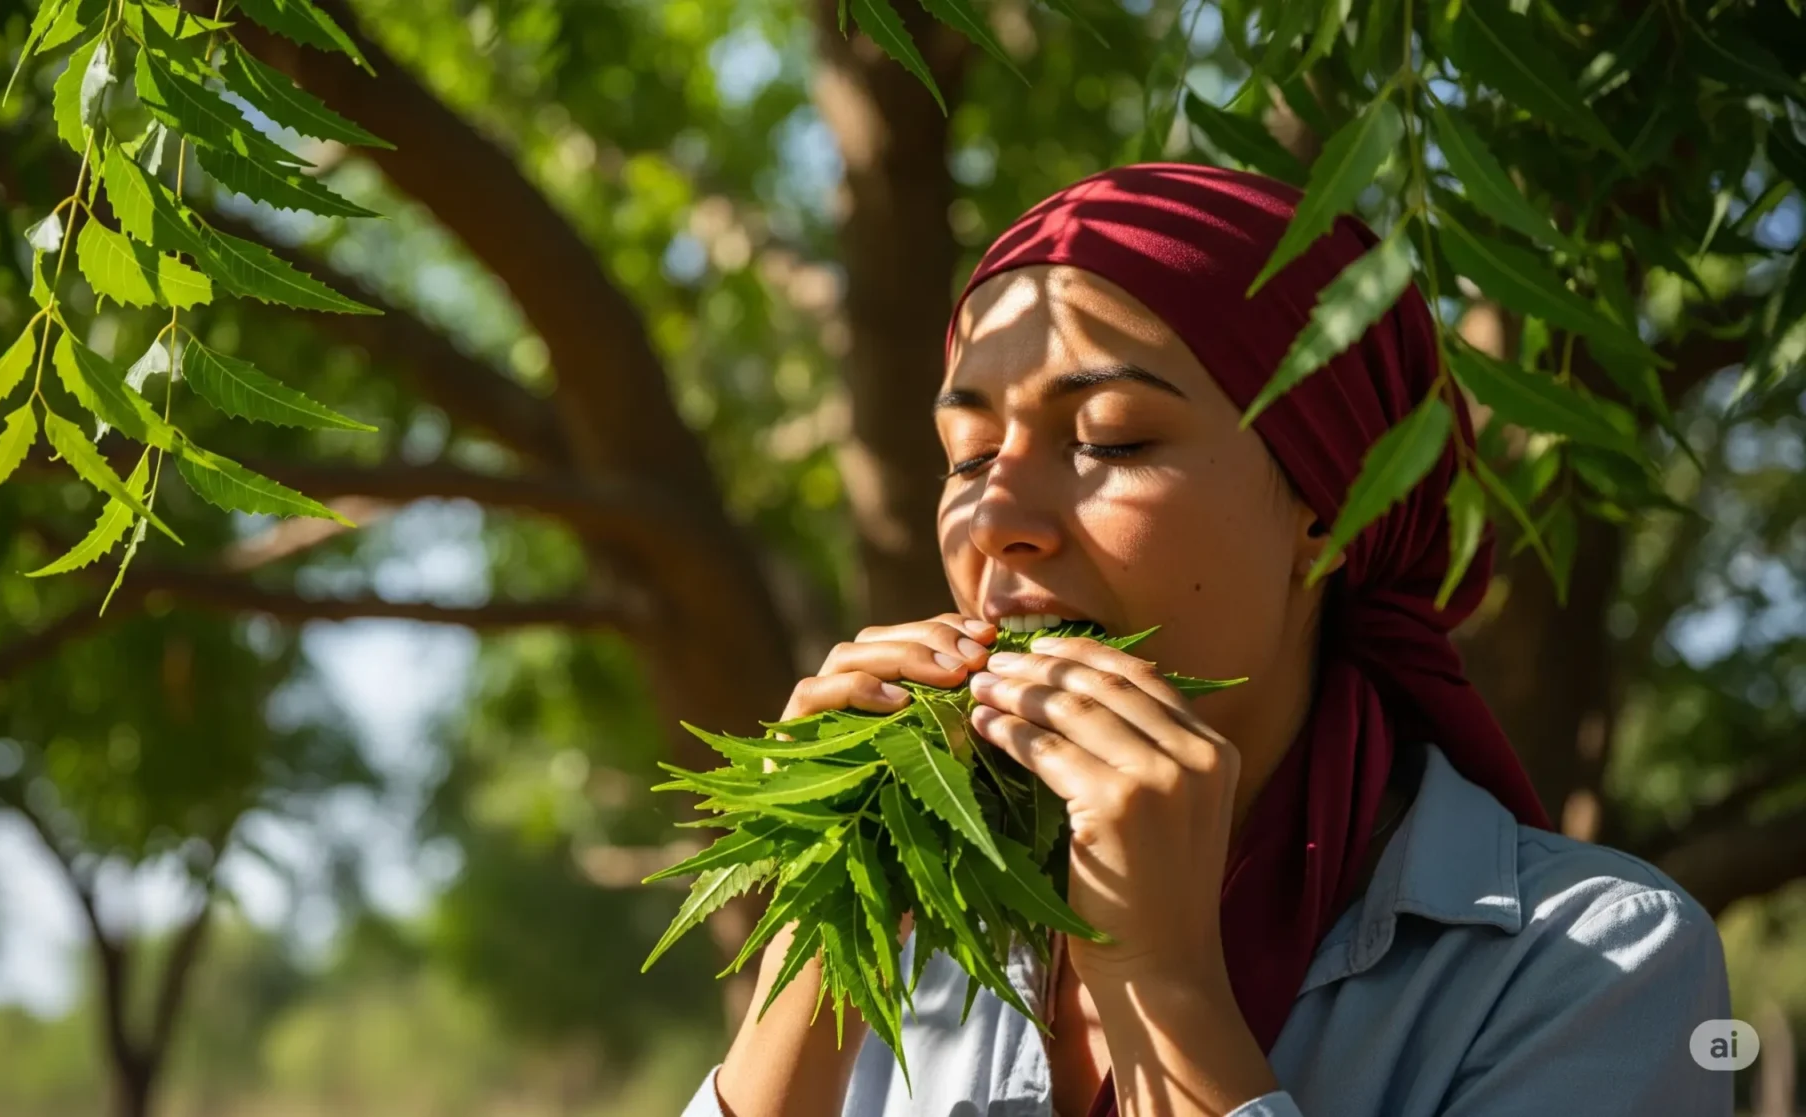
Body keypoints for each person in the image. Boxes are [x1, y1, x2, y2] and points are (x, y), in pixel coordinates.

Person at [676, 164, 1732, 1117]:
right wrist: (826, 925)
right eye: (965, 453)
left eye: (1108, 439)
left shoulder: (1591, 964)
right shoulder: (925, 935)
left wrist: (1160, 981)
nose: (997, 517)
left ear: (1332, 510)